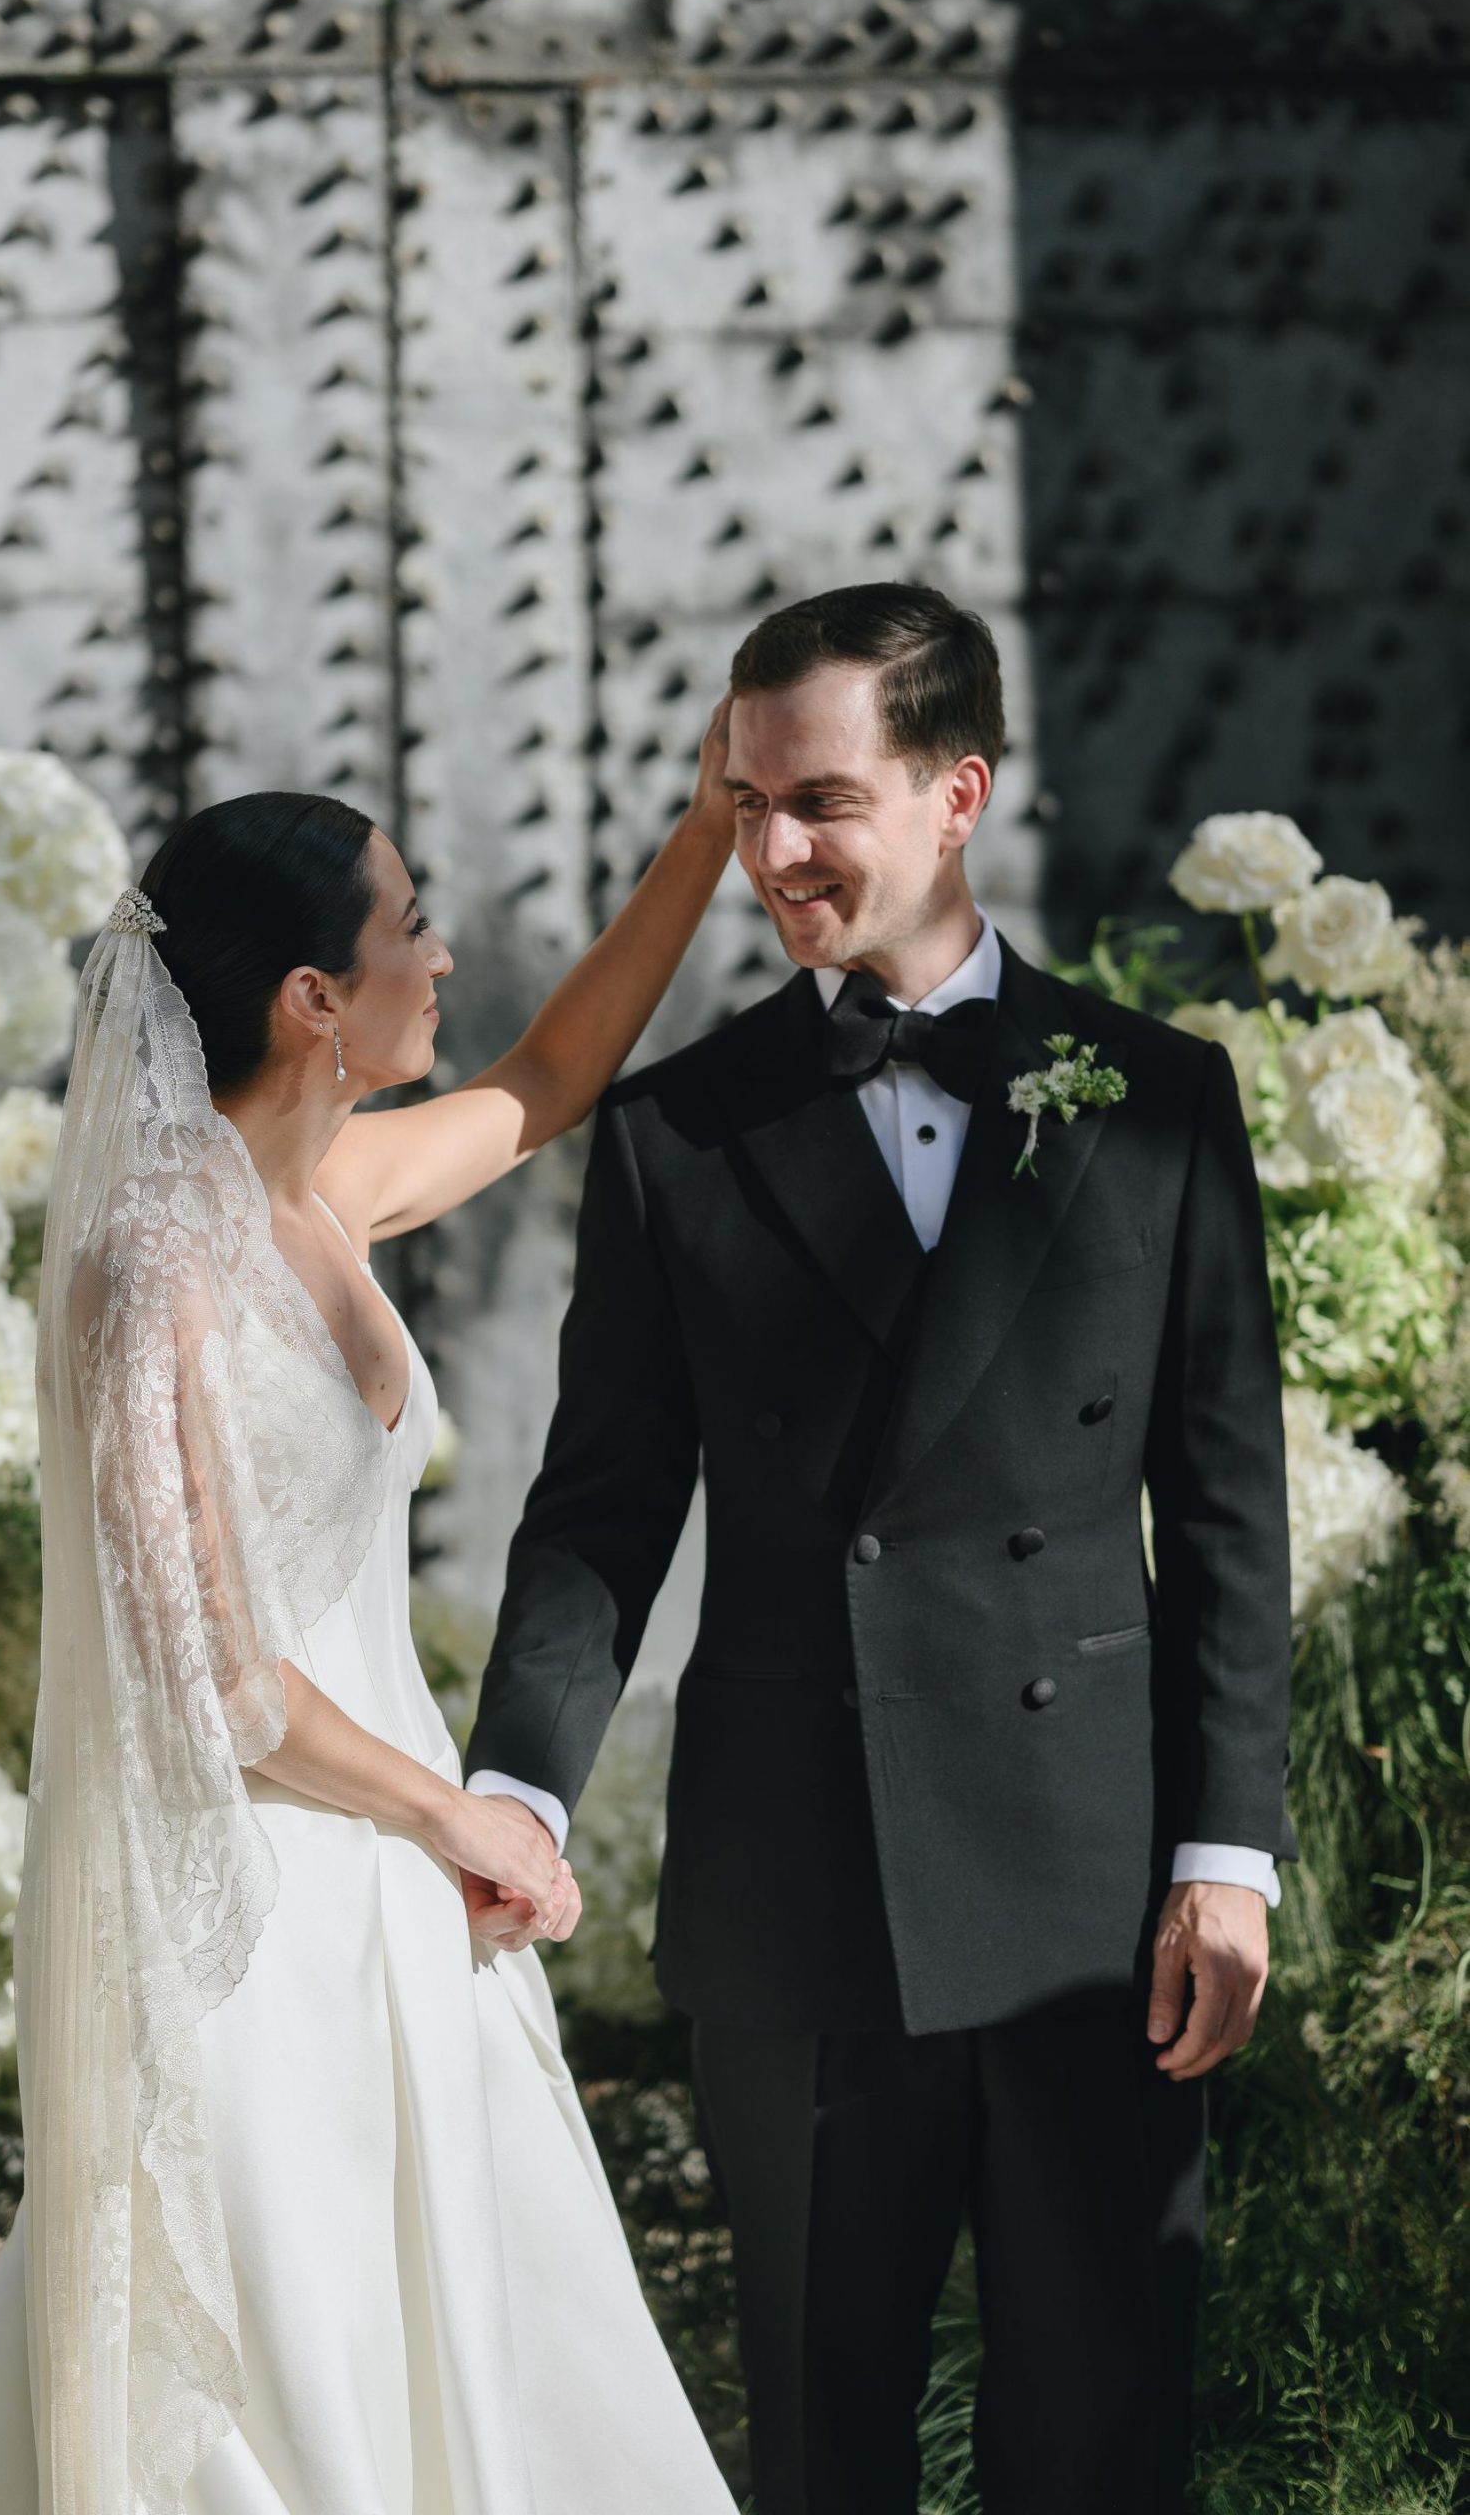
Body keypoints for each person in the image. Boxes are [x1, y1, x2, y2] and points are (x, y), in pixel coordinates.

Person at [464, 582, 1295, 2515]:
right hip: (802, 1893)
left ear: (957, 797)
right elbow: (601, 1507)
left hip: (1097, 1899)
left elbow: (1230, 1511)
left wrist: (1226, 1853)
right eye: (746, 805)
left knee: (1100, 2444)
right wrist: (514, 1787)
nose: (772, 853)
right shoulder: (681, 1134)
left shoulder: (1160, 1103)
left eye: (819, 802)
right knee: (826, 2456)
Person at [0, 734, 744, 2515]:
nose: (444, 958)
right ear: (313, 999)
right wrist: (454, 1813)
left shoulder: (331, 1197)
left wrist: (713, 829)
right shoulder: (148, 1277)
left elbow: (557, 1071)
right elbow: (210, 1677)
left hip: (412, 1894)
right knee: (286, 2375)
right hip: (262, 1904)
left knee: (481, 2349)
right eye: (411, 928)